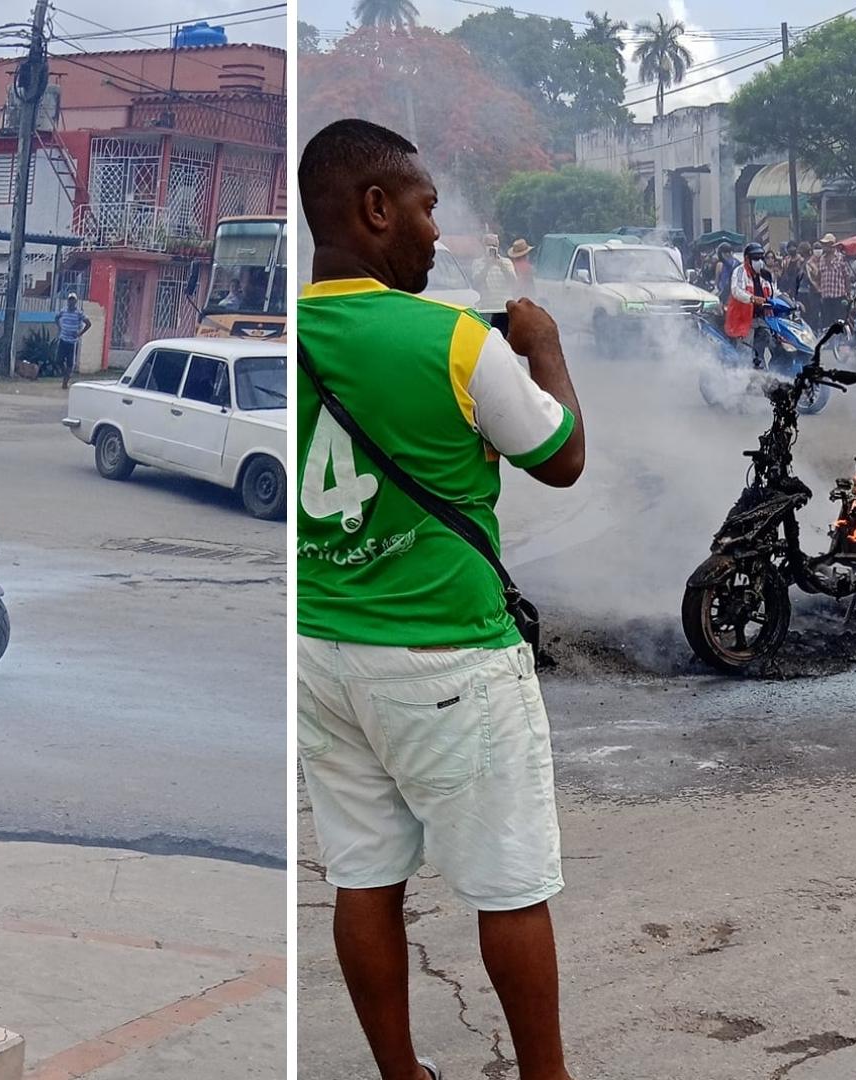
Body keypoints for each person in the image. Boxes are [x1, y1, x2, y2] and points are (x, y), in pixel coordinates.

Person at [296, 118, 585, 1080]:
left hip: (323, 652)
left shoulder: (284, 335)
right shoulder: (456, 340)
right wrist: (544, 347)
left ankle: (401, 1074)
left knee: (364, 876)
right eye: (424, 210)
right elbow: (562, 456)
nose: (434, 231)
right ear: (375, 209)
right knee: (508, 887)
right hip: (448, 656)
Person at [730, 241, 780, 366]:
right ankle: (741, 377)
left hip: (763, 318)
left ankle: (762, 376)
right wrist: (752, 298)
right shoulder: (740, 271)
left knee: (769, 345)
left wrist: (788, 300)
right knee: (745, 352)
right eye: (756, 258)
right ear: (747, 259)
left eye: (761, 258)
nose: (760, 261)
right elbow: (736, 290)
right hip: (745, 319)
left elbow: (773, 292)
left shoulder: (764, 274)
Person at [469, 234, 517, 309]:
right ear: (483, 247)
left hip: (504, 306)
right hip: (486, 306)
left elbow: (513, 282)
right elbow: (476, 284)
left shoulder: (507, 262)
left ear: (498, 247)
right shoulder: (477, 263)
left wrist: (501, 266)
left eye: (494, 245)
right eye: (489, 245)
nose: (492, 247)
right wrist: (487, 266)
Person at [55, 292, 91, 390]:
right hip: (63, 339)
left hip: (72, 342)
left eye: (72, 300)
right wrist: (59, 327)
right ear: (67, 301)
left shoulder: (79, 313)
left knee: (70, 363)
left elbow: (88, 323)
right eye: (69, 300)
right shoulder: (63, 311)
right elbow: (56, 318)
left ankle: (65, 382)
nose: (71, 302)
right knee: (58, 361)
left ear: (75, 301)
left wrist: (80, 333)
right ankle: (66, 375)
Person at [813, 235, 850, 327]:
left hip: (839, 296)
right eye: (824, 244)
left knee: (839, 322)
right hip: (826, 297)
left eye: (826, 244)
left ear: (832, 245)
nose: (824, 246)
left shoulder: (841, 258)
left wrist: (848, 293)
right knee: (826, 322)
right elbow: (819, 277)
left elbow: (847, 276)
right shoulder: (821, 259)